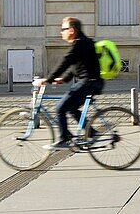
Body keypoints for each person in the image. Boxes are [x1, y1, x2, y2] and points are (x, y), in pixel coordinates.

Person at [35, 16, 103, 150]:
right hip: (92, 83)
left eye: (63, 29)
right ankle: (92, 132)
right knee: (71, 108)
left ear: (71, 30)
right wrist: (63, 79)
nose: (61, 32)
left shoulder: (79, 43)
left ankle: (64, 139)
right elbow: (76, 66)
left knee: (60, 108)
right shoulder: (84, 42)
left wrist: (47, 79)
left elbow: (65, 62)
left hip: (88, 83)